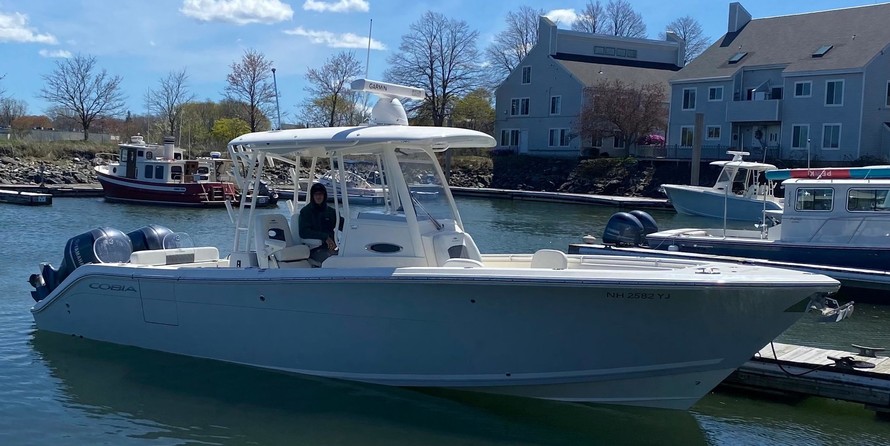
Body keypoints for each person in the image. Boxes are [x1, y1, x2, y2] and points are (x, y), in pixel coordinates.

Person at [299, 183, 338, 264]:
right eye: (316, 194)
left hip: (332, 247)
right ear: (312, 196)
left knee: (347, 257)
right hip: (314, 249)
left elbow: (342, 225)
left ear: (324, 195)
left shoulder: (331, 212)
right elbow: (303, 232)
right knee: (332, 261)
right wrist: (325, 237)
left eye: (321, 194)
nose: (318, 197)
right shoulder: (306, 211)